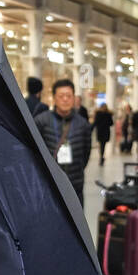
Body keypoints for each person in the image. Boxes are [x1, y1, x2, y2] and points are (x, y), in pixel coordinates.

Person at [33, 78, 92, 206]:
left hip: (75, 187)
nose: (65, 99)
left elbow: (85, 155)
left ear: (73, 98)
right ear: (54, 98)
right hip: (49, 186)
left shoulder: (83, 124)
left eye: (68, 96)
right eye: (61, 96)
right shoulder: (41, 122)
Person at [93, 102, 114, 167]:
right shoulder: (108, 114)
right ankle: (102, 156)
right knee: (103, 145)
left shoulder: (98, 114)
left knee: (101, 145)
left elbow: (95, 122)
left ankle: (101, 156)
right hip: (105, 131)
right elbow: (111, 123)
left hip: (100, 131)